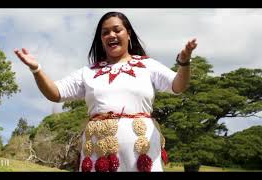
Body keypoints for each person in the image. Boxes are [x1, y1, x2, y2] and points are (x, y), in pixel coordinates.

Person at [14, 11, 197, 172]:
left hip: (142, 149)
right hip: (98, 151)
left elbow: (178, 86)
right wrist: (36, 69)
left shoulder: (147, 65)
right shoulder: (88, 72)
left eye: (117, 30)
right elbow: (56, 93)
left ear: (128, 34)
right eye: (105, 32)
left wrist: (184, 62)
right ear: (101, 40)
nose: (111, 35)